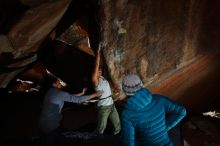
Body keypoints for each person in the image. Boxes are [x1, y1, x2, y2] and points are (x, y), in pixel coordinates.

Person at [121, 74, 187, 146]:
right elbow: (182, 111)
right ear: (141, 85)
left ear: (125, 92)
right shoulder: (159, 99)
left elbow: (128, 143)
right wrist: (165, 127)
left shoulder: (126, 115)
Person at [38, 78, 103, 135]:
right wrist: (95, 94)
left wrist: (82, 93)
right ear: (53, 84)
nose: (60, 83)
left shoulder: (50, 92)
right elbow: (78, 100)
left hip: (42, 124)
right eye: (58, 82)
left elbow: (69, 97)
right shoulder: (59, 93)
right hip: (52, 126)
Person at [91, 45, 121, 135]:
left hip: (111, 105)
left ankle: (116, 139)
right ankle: (95, 139)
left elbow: (107, 88)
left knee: (118, 125)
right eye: (98, 71)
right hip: (103, 107)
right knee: (101, 128)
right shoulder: (95, 80)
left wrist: (114, 89)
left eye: (100, 71)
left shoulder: (103, 78)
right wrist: (98, 52)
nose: (99, 72)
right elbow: (96, 65)